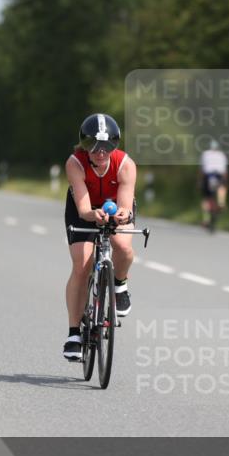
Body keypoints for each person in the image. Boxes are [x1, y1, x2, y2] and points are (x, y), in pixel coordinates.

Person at [63, 113, 137, 361]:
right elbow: (84, 209)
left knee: (123, 247)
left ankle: (120, 284)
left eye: (106, 146)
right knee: (82, 265)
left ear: (114, 145)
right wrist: (92, 214)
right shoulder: (75, 163)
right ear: (84, 145)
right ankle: (74, 333)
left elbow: (125, 205)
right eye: (93, 145)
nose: (100, 151)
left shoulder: (126, 164)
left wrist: (122, 215)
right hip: (83, 208)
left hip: (115, 207)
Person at [198, 139, 229, 228]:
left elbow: (202, 170)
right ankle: (221, 202)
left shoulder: (205, 154)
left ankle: (206, 219)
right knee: (222, 187)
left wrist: (199, 181)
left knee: (206, 199)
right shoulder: (222, 155)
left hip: (208, 176)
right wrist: (226, 182)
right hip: (219, 176)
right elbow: (225, 172)